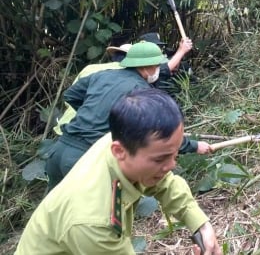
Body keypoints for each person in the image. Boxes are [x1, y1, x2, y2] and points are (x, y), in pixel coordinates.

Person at [16, 88, 222, 255]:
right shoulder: (93, 221)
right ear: (119, 151)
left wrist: (200, 224)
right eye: (161, 159)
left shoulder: (125, 139)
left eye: (175, 154)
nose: (171, 166)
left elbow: (165, 182)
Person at [45, 41, 212, 190]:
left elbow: (71, 95)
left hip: (59, 151)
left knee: (52, 216)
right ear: (147, 67)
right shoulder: (141, 93)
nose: (157, 70)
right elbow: (158, 132)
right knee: (91, 217)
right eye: (156, 66)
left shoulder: (102, 75)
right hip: (85, 159)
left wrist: (94, 113)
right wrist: (195, 146)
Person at [53, 37, 194, 135]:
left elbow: (70, 95)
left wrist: (90, 113)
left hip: (68, 128)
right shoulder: (130, 79)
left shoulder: (92, 69)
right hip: (93, 139)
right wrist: (181, 50)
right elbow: (167, 67)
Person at [52, 43, 131, 135]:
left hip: (68, 124)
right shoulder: (128, 76)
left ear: (114, 56)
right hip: (94, 132)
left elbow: (70, 95)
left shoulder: (90, 68)